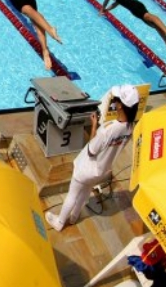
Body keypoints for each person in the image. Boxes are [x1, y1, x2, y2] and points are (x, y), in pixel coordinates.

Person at [45, 84, 139, 231]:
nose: (114, 100)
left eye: (116, 99)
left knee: (73, 193)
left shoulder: (108, 130)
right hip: (102, 170)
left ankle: (59, 222)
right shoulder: (130, 128)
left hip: (87, 168)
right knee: (86, 191)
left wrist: (94, 125)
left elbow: (92, 151)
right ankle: (75, 216)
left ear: (120, 105)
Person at [100, 0, 166, 48]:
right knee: (154, 24)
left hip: (134, 8)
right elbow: (116, 4)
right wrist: (107, 10)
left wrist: (102, 10)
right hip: (138, 4)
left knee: (149, 17)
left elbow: (105, 2)